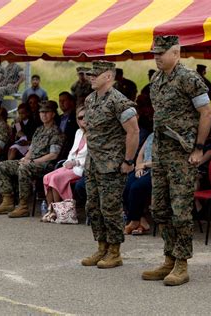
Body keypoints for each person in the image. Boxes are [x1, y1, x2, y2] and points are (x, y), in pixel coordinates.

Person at [142, 35, 211, 286]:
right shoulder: (157, 78)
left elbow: (206, 113)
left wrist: (199, 149)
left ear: (176, 52)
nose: (157, 57)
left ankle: (182, 264)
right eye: (155, 53)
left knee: (180, 210)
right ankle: (169, 258)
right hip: (161, 154)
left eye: (162, 53)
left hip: (182, 155)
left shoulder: (189, 78)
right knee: (159, 208)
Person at [80, 61, 139, 269]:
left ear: (109, 77)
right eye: (90, 74)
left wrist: (129, 161)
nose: (91, 77)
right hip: (94, 163)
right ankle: (101, 247)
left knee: (110, 208)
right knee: (93, 207)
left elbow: (133, 132)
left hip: (112, 164)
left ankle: (115, 251)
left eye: (96, 74)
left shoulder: (119, 102)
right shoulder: (90, 100)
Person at [0, 101, 64, 218]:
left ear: (53, 114)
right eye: (41, 112)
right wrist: (25, 158)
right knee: (3, 166)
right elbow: (31, 149)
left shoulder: (56, 132)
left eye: (47, 112)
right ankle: (7, 201)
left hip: (45, 165)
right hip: (31, 162)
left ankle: (23, 205)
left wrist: (32, 161)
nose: (43, 115)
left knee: (24, 168)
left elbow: (53, 155)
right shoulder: (39, 130)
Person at [43, 107, 86, 210]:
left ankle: (60, 212)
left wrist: (75, 162)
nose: (84, 119)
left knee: (55, 178)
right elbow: (72, 151)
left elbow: (92, 157)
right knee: (46, 177)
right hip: (70, 166)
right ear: (77, 120)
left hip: (82, 168)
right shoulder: (79, 132)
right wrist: (68, 161)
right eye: (80, 117)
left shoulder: (94, 134)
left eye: (86, 116)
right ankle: (51, 210)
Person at [123, 133, 153, 235]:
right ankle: (141, 220)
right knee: (125, 184)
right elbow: (140, 154)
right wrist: (138, 167)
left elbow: (163, 161)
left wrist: (143, 165)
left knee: (137, 187)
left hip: (156, 171)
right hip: (142, 168)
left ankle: (134, 221)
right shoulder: (151, 135)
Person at [57, 92, 79, 158]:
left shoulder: (77, 117)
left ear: (71, 102)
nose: (61, 103)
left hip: (69, 149)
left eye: (64, 100)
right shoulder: (58, 118)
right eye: (60, 101)